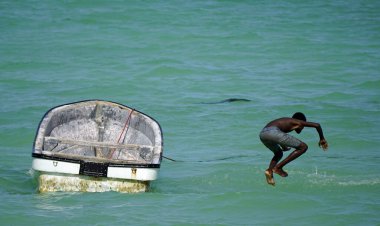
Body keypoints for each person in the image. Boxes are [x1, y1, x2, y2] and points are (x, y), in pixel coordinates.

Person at [259, 112, 328, 186]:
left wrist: (283, 147)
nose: (301, 129)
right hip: (273, 132)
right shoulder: (298, 121)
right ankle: (278, 167)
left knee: (278, 153)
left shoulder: (287, 121)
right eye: (303, 126)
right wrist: (322, 138)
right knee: (303, 147)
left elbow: (278, 134)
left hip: (263, 134)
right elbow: (317, 125)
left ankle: (269, 171)